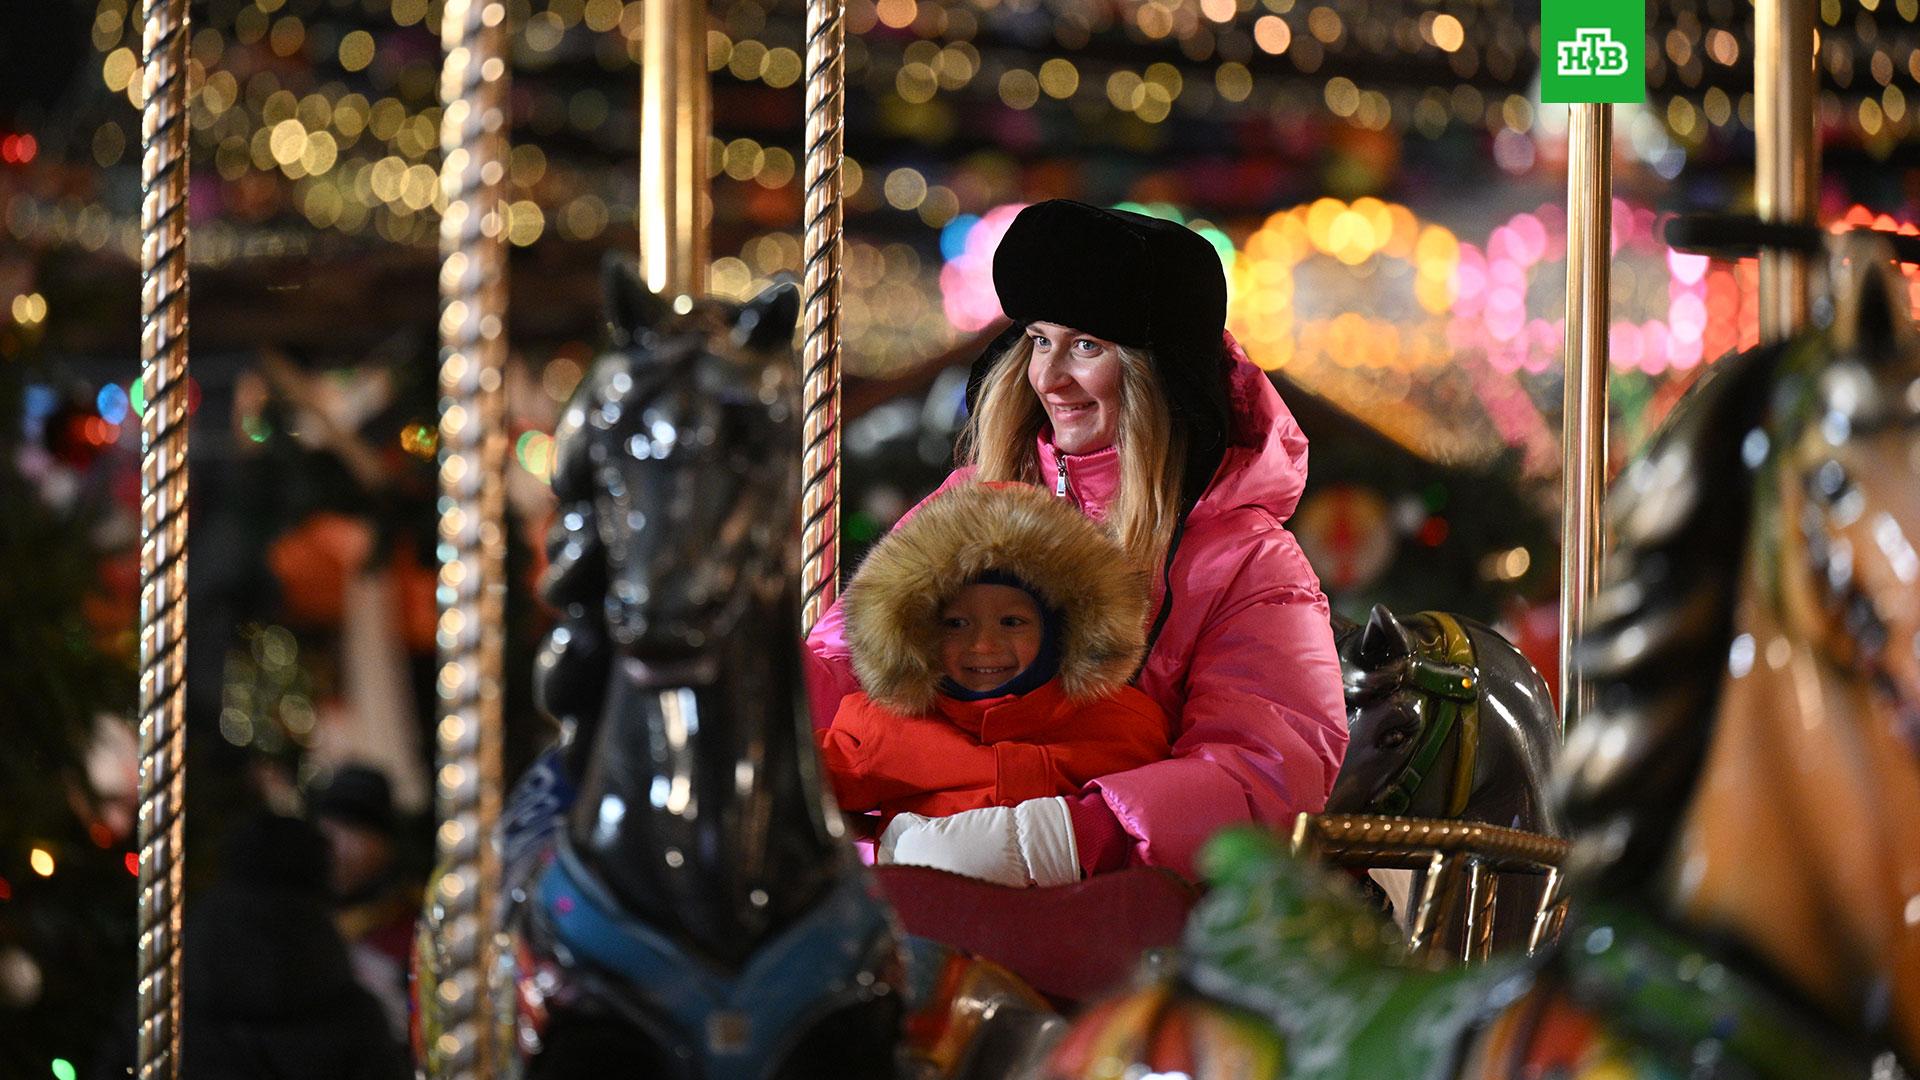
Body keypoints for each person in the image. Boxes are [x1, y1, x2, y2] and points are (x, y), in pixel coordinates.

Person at [807, 199, 1348, 882]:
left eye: (1086, 346)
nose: (1050, 377)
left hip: (1116, 900)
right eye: (1039, 340)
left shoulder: (1249, 561)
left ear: (1159, 373)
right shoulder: (975, 500)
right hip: (916, 862)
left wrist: (1055, 839)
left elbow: (1264, 773)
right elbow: (847, 657)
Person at [816, 481, 1172, 887]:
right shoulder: (882, 726)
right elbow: (798, 788)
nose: (984, 645)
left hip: (1073, 919)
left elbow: (1155, 823)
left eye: (1012, 622)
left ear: (1060, 629)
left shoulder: (1122, 723)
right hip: (936, 921)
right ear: (920, 633)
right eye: (956, 624)